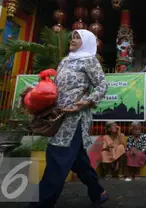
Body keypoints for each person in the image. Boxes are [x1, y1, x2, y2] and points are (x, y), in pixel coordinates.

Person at [29, 30, 109, 208]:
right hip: (60, 115)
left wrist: (86, 101)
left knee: (57, 158)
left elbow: (102, 85)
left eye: (77, 37)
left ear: (87, 42)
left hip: (75, 119)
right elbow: (55, 87)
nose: (72, 39)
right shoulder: (65, 60)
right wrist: (36, 93)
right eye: (72, 37)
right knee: (77, 160)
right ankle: (97, 192)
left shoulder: (89, 60)